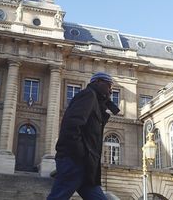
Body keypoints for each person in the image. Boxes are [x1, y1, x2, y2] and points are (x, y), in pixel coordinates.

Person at [47, 72, 120, 200]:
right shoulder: (88, 95)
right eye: (109, 85)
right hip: (75, 161)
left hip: (87, 166)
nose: (111, 90)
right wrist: (81, 154)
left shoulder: (97, 103)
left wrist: (106, 104)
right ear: (97, 82)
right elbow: (72, 126)